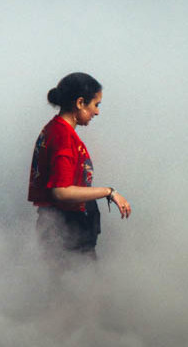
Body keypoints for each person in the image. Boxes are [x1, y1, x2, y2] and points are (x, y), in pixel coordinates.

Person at [28, 72, 131, 258]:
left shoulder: (54, 129)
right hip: (68, 235)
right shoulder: (63, 138)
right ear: (80, 103)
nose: (97, 112)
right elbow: (62, 191)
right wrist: (109, 191)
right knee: (78, 285)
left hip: (59, 232)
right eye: (95, 105)